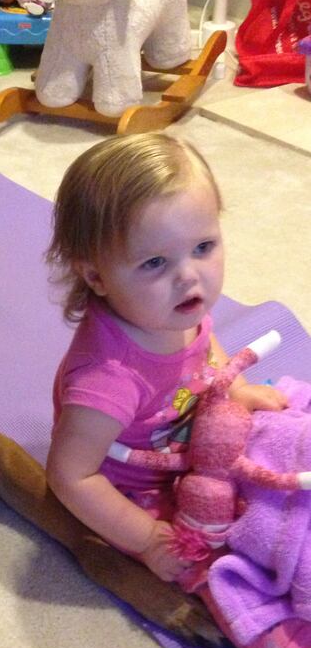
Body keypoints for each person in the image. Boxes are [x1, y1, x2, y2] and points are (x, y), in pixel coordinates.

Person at [45, 133, 287, 584]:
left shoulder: (171, 307)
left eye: (203, 247)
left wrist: (235, 389)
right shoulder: (107, 380)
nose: (188, 276)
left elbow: (205, 345)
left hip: (201, 445)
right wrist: (146, 537)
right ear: (96, 275)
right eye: (155, 262)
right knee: (228, 563)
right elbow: (70, 477)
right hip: (139, 486)